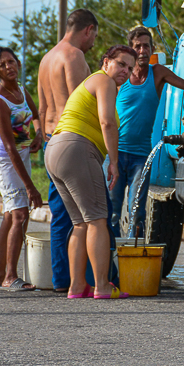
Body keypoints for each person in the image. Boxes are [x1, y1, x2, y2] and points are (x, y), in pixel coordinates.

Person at [44, 45, 136, 299]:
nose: (125, 72)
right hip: (76, 149)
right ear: (106, 62)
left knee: (80, 223)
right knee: (97, 220)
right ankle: (103, 286)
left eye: (130, 68)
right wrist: (114, 162)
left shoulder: (91, 82)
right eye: (121, 64)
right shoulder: (104, 82)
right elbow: (107, 122)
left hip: (55, 150)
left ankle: (76, 286)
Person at [109, 26, 184, 237]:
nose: (142, 50)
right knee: (111, 213)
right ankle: (111, 265)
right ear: (130, 50)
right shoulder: (120, 77)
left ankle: (132, 263)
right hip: (116, 154)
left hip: (141, 157)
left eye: (146, 45)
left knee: (137, 213)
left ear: (152, 48)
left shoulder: (158, 73)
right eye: (137, 46)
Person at [37, 8, 98, 292]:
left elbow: (41, 108)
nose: (93, 42)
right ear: (88, 29)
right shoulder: (74, 56)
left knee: (61, 213)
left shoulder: (46, 58)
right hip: (73, 140)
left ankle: (62, 278)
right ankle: (83, 279)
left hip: (51, 140)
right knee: (86, 215)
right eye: (94, 36)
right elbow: (81, 102)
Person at [0, 46, 43, 291]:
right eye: (3, 64)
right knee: (20, 215)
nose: (9, 66)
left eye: (12, 61)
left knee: (10, 216)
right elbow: (9, 146)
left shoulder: (20, 91)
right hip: (6, 161)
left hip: (22, 156)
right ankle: (10, 276)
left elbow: (36, 114)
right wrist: (31, 188)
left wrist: (38, 134)